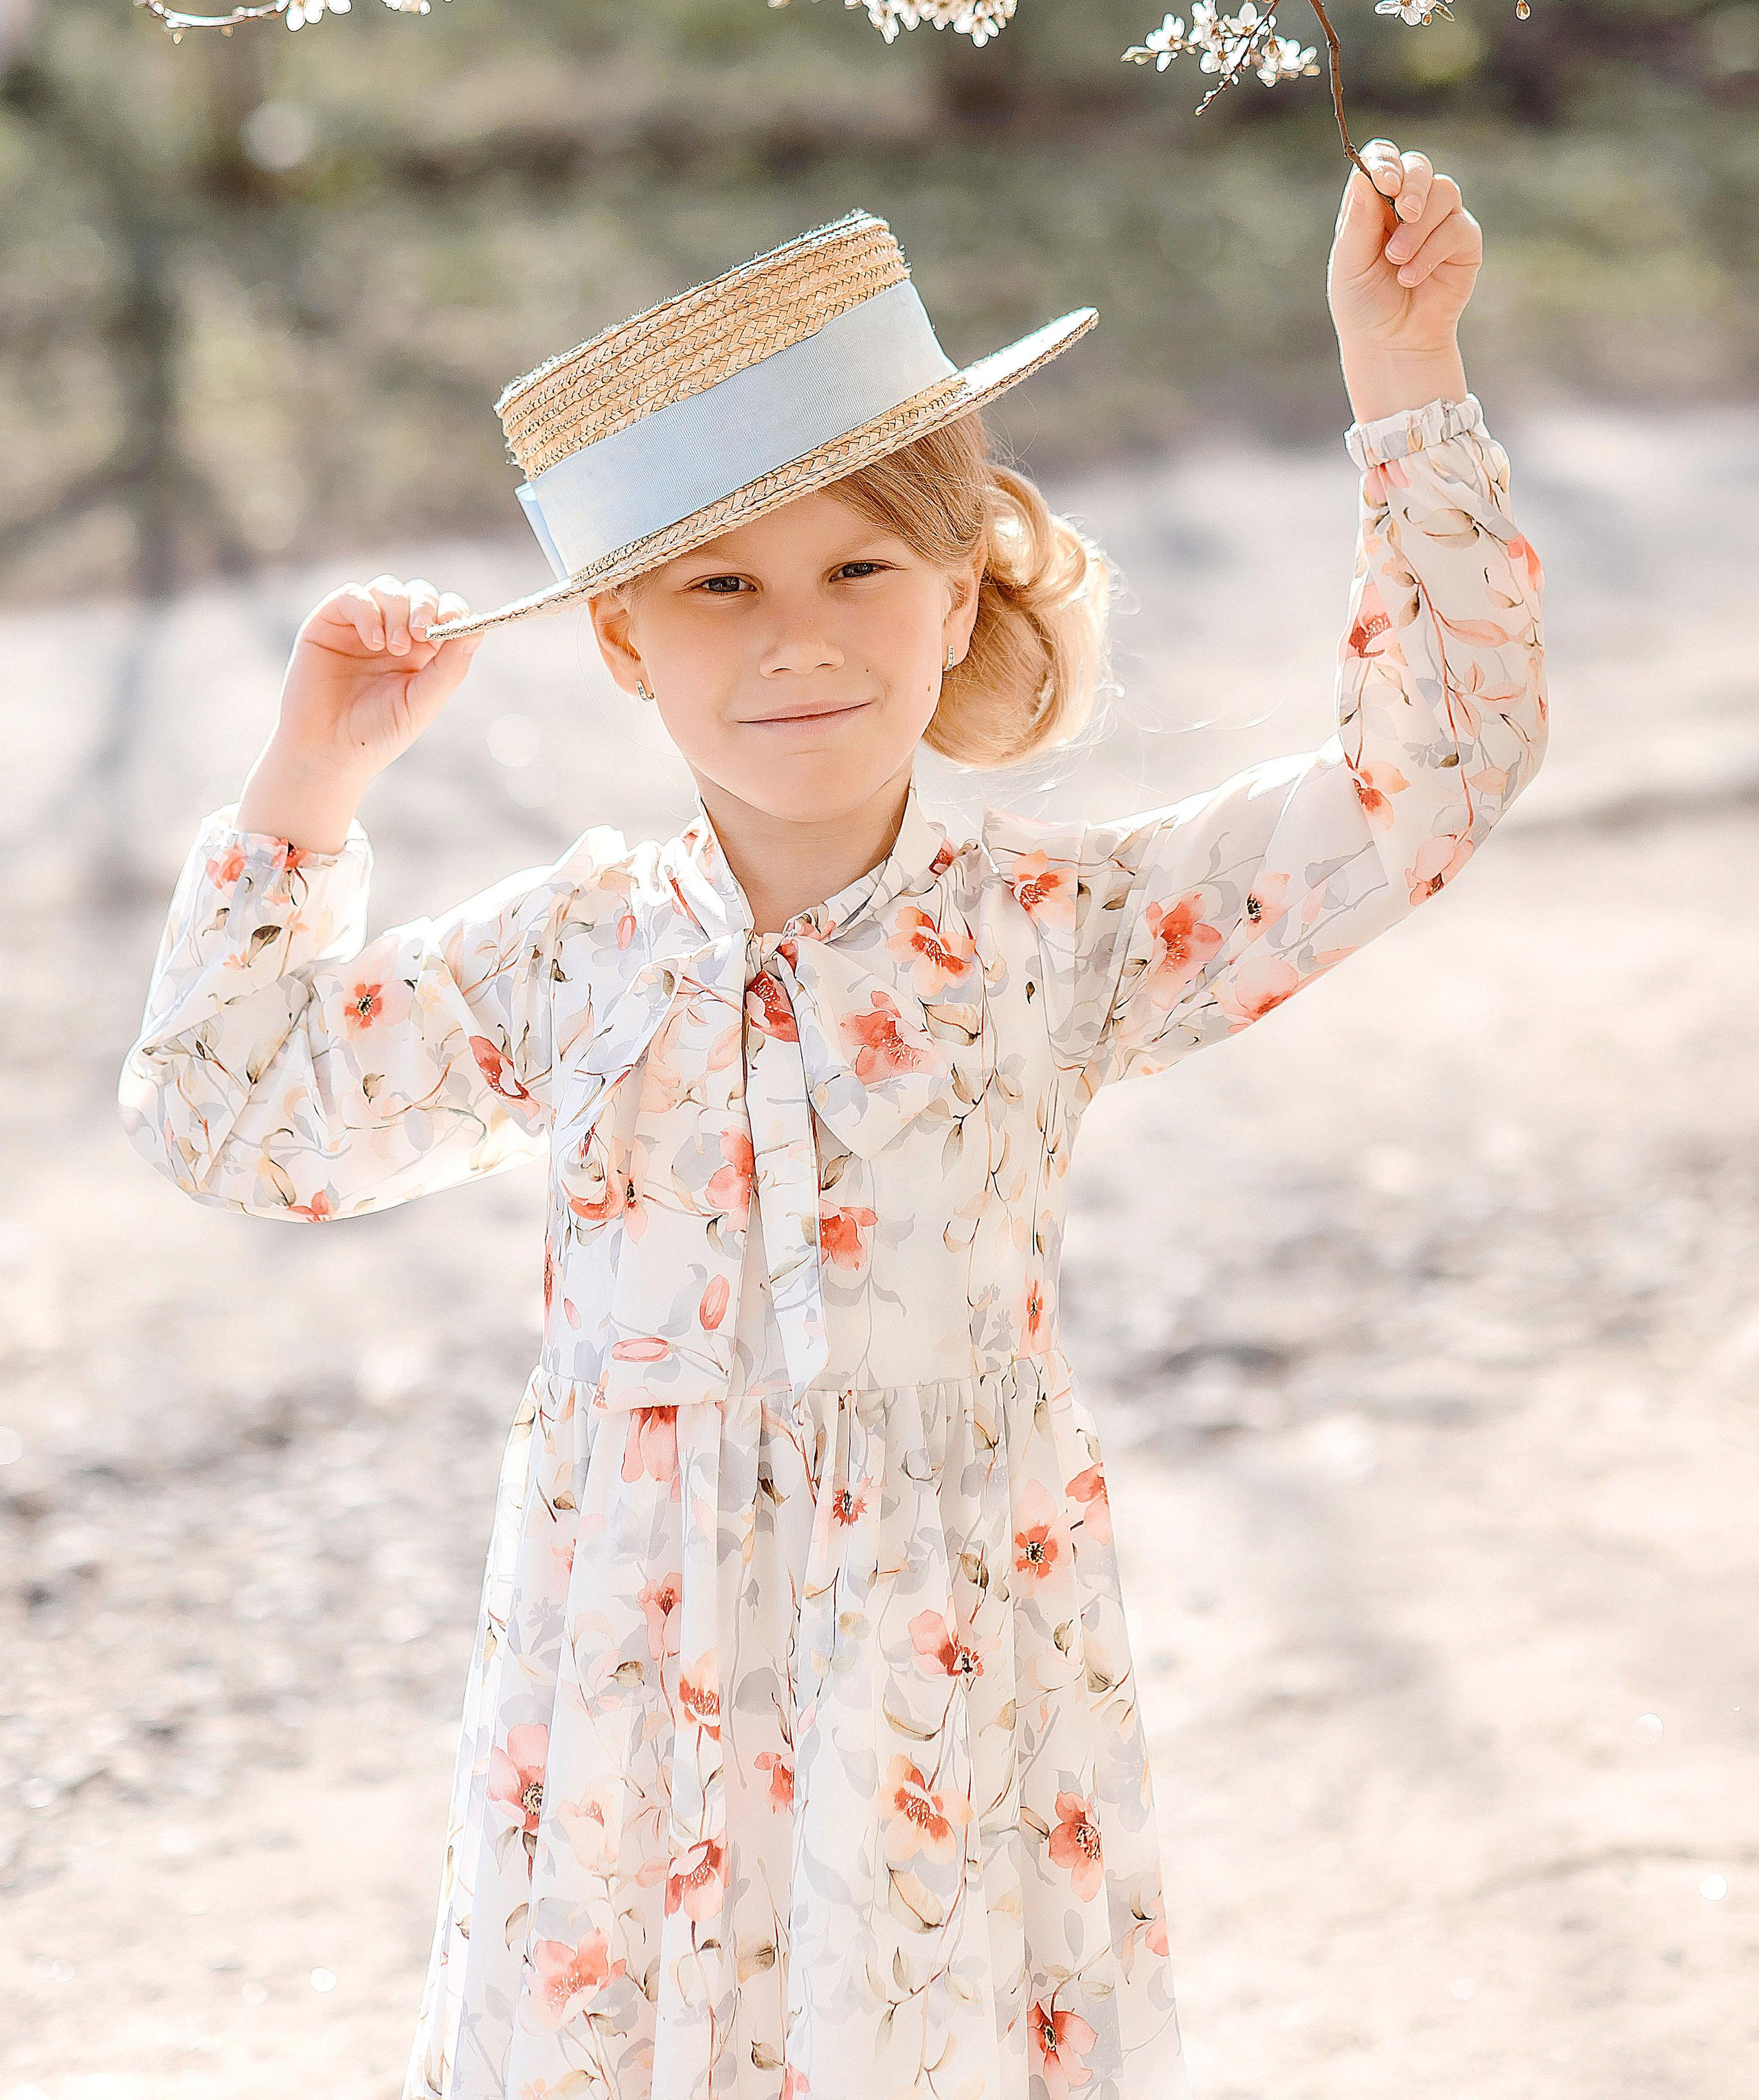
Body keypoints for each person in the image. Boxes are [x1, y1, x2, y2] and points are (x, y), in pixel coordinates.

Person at [118, 141, 1547, 2100]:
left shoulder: (1054, 932)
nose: (796, 634)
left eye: (861, 564)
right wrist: (306, 788)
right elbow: (230, 1115)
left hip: (949, 1681)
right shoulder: (578, 957)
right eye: (718, 583)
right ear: (623, 638)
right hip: (629, 1691)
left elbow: (1436, 766)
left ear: (956, 593)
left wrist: (1402, 371)